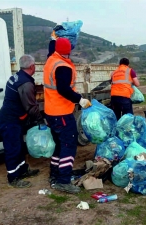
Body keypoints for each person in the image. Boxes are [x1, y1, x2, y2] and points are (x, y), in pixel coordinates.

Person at [43, 37, 91, 194]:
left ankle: (55, 175)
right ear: (69, 50)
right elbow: (63, 89)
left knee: (59, 145)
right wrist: (80, 100)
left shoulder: (52, 59)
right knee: (69, 145)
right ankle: (63, 181)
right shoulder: (63, 66)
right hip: (62, 112)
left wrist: (53, 37)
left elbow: (52, 48)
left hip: (51, 111)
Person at [0, 54, 44, 188]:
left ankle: (23, 170)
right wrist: (40, 120)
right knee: (13, 149)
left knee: (20, 146)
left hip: (13, 118)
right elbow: (30, 106)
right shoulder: (26, 83)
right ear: (32, 66)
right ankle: (13, 177)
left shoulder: (16, 77)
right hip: (10, 120)